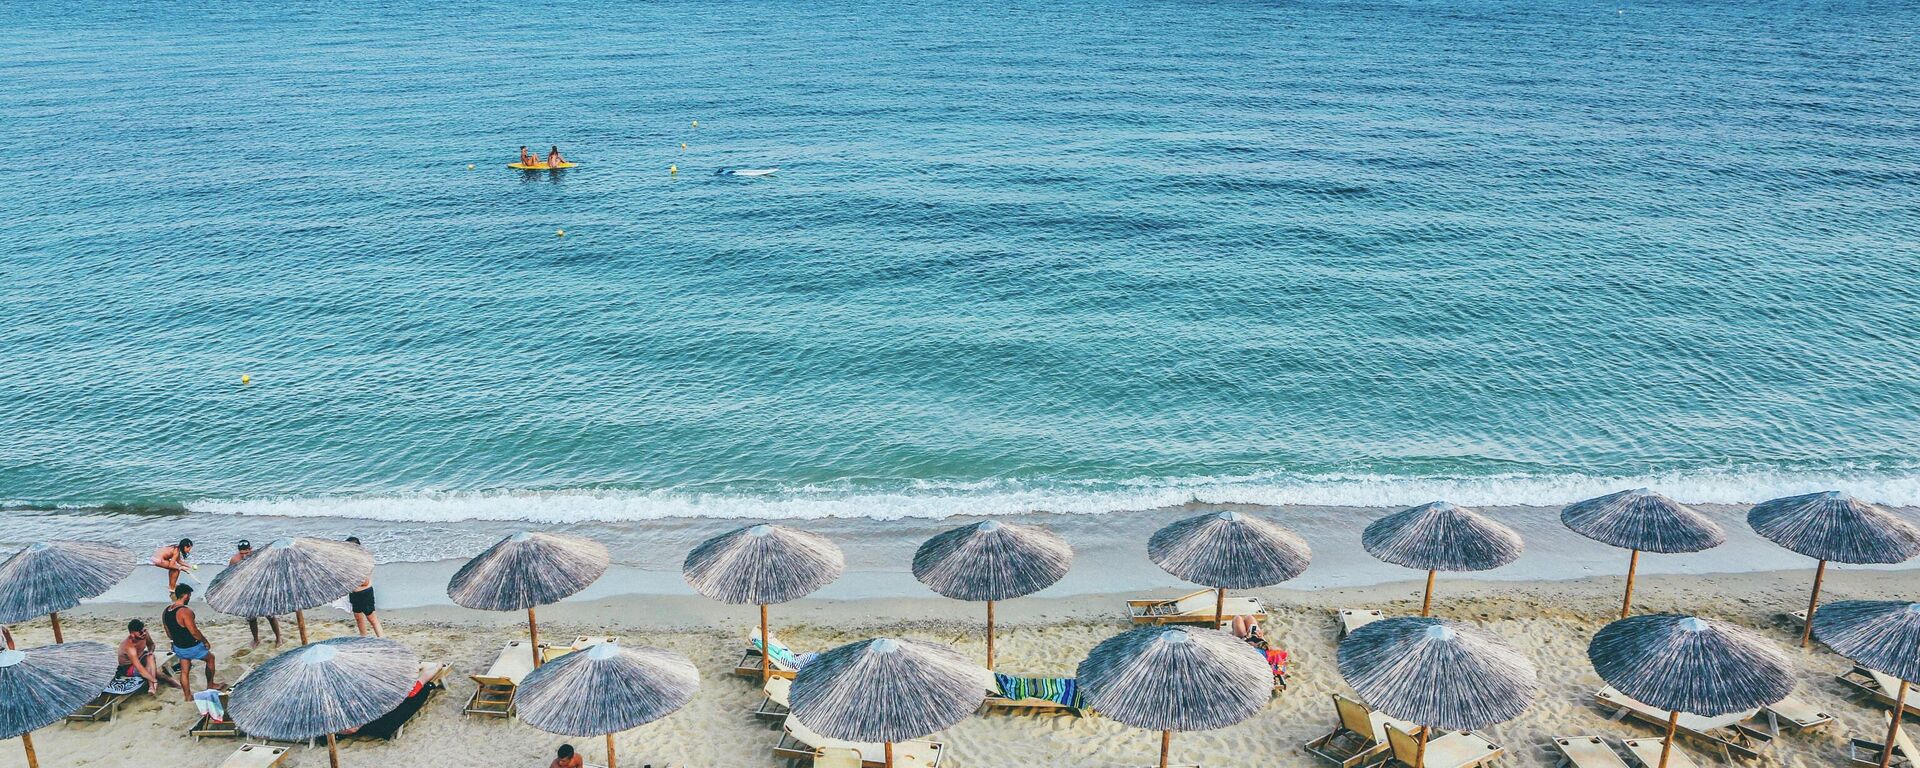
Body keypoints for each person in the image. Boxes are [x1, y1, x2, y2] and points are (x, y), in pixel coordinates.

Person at [162, 584, 218, 702]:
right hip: (191, 646)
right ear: (186, 595)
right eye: (190, 596)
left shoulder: (166, 610)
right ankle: (210, 685)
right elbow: (194, 632)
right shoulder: (185, 611)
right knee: (210, 659)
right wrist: (205, 641)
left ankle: (187, 696)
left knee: (184, 671)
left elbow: (167, 631)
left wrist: (174, 642)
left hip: (179, 647)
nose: (189, 598)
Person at [228, 541, 283, 647]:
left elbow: (269, 572)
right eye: (242, 553)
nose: (244, 555)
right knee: (251, 618)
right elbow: (229, 576)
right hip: (246, 591)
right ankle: (256, 639)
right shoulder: (235, 560)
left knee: (270, 615)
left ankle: (278, 638)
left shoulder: (259, 557)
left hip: (261, 589)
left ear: (250, 549)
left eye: (246, 552)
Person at [118, 619, 176, 695]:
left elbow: (151, 644)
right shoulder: (129, 646)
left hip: (141, 657)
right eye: (141, 632)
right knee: (155, 671)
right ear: (132, 634)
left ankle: (154, 686)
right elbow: (140, 668)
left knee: (150, 657)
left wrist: (150, 652)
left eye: (144, 630)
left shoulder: (144, 634)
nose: (144, 633)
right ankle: (165, 682)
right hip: (129, 667)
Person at [345, 537, 383, 637]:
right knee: (358, 618)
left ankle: (382, 639)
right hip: (354, 593)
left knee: (372, 619)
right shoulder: (348, 562)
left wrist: (352, 581)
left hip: (365, 593)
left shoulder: (364, 561)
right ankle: (363, 638)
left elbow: (365, 582)